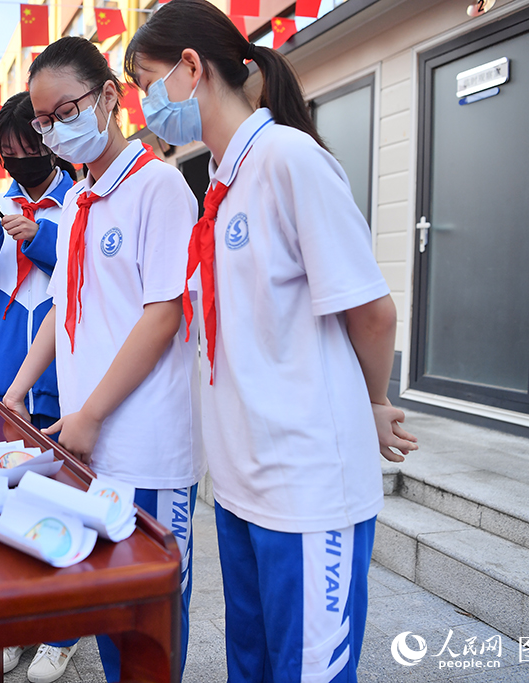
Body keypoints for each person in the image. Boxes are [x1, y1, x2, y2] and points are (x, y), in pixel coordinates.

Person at [124, 2, 419, 681]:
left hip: (307, 486)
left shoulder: (290, 158)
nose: (145, 106)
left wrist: (370, 402)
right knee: (251, 667)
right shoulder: (221, 184)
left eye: (146, 82)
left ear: (191, 68)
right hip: (240, 484)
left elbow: (371, 311)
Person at [2, 36, 204, 683]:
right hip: (91, 445)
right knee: (110, 607)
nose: (56, 130)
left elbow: (163, 313)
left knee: (149, 619)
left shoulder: (159, 187)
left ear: (111, 97)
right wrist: (17, 390)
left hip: (147, 445)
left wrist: (88, 414)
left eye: (68, 110)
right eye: (44, 121)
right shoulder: (84, 201)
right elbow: (64, 311)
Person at [0, 91, 74, 429]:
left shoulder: (81, 206)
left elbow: (88, 281)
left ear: (51, 144)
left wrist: (41, 240)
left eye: (30, 150)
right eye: (9, 153)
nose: (20, 160)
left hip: (64, 386)